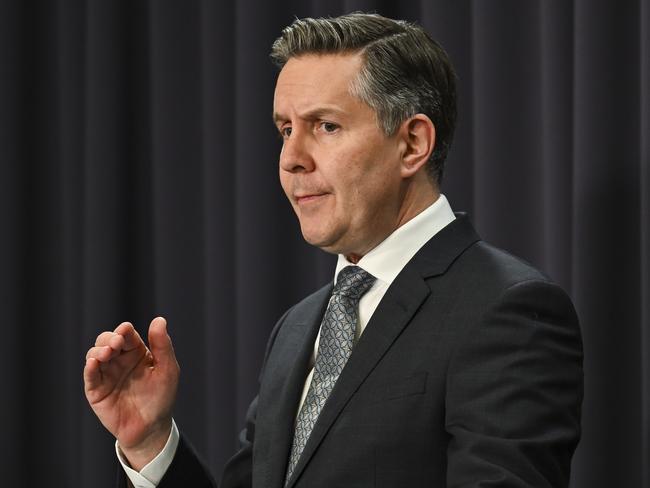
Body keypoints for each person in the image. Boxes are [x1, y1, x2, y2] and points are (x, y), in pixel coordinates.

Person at [84, 13, 583, 488]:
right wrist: (151, 443)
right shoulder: (298, 326)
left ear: (412, 144)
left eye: (325, 126)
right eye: (285, 129)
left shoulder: (506, 309)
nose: (291, 159)